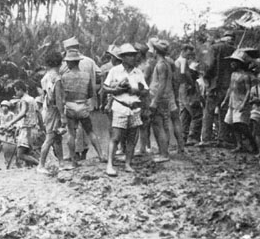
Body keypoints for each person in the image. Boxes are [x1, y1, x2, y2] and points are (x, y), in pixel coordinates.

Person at [103, 44, 148, 176]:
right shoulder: (115, 71)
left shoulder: (138, 72)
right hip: (120, 106)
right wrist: (115, 90)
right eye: (130, 55)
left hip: (134, 107)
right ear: (123, 57)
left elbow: (145, 90)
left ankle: (128, 163)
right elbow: (105, 88)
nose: (133, 57)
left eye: (134, 55)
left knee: (132, 138)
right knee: (116, 136)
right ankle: (110, 165)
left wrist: (136, 90)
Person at [60, 49, 105, 167]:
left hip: (70, 106)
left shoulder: (64, 77)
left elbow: (62, 95)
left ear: (70, 63)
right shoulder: (86, 76)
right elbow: (91, 93)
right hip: (83, 106)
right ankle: (101, 155)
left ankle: (73, 161)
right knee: (90, 132)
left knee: (71, 134)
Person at [147, 38, 181, 162]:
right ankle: (163, 151)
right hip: (164, 98)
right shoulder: (166, 63)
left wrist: (154, 101)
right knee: (162, 125)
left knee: (158, 125)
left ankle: (164, 154)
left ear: (156, 51)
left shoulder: (161, 65)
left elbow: (161, 85)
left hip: (160, 98)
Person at [200, 30, 236, 146]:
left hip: (215, 85)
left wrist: (206, 77)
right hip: (228, 85)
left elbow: (209, 65)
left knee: (209, 111)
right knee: (224, 112)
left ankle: (206, 139)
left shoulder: (214, 48)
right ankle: (222, 138)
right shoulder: (234, 50)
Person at [221, 51, 259, 154]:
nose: (232, 64)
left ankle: (253, 143)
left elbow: (248, 91)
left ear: (239, 63)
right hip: (232, 102)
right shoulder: (233, 74)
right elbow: (230, 88)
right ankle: (239, 144)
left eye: (234, 62)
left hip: (241, 102)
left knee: (241, 124)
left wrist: (244, 103)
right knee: (232, 124)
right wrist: (225, 100)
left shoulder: (245, 76)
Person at [38, 50, 67, 173]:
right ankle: (41, 165)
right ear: (59, 63)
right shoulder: (57, 78)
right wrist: (62, 115)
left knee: (57, 137)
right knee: (50, 137)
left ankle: (61, 163)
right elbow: (58, 99)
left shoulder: (45, 77)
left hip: (47, 108)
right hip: (54, 109)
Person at [2, 81, 40, 167]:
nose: (16, 93)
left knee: (20, 154)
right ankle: (31, 168)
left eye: (16, 91)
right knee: (28, 152)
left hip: (27, 129)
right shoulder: (32, 99)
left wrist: (10, 123)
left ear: (20, 90)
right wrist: (41, 127)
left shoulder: (24, 100)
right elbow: (38, 114)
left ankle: (39, 164)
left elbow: (22, 113)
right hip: (33, 129)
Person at [181, 62, 204, 146]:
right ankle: (190, 138)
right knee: (193, 119)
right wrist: (187, 105)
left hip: (192, 103)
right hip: (189, 104)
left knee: (188, 120)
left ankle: (187, 138)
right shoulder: (186, 83)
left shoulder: (195, 83)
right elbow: (183, 96)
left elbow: (199, 95)